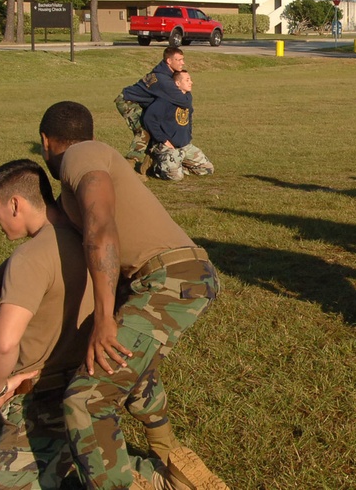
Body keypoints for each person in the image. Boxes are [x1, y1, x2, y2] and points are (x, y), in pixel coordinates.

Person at [0, 160, 177, 489]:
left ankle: (129, 471)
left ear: (15, 204)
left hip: (43, 396)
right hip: (92, 378)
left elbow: (3, 344)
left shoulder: (29, 258)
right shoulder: (89, 239)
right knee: (74, 450)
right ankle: (149, 472)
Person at [37, 101, 225, 490]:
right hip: (178, 276)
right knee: (128, 367)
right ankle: (170, 457)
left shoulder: (80, 155)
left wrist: (105, 317)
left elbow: (100, 227)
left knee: (86, 401)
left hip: (168, 279)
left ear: (45, 141)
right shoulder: (81, 174)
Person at [115, 46, 190, 172]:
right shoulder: (163, 80)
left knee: (155, 128)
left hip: (144, 104)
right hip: (128, 101)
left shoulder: (165, 73)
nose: (182, 63)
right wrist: (187, 92)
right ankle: (129, 165)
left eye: (183, 59)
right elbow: (183, 101)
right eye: (179, 60)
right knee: (144, 130)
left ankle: (148, 165)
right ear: (169, 61)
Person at [143, 70, 215, 181]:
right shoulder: (165, 99)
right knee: (176, 177)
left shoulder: (187, 98)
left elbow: (188, 118)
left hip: (184, 146)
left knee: (207, 169)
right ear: (177, 83)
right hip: (167, 146)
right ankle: (156, 165)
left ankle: (177, 164)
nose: (191, 82)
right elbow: (149, 119)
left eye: (190, 79)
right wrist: (163, 140)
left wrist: (188, 136)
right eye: (187, 80)